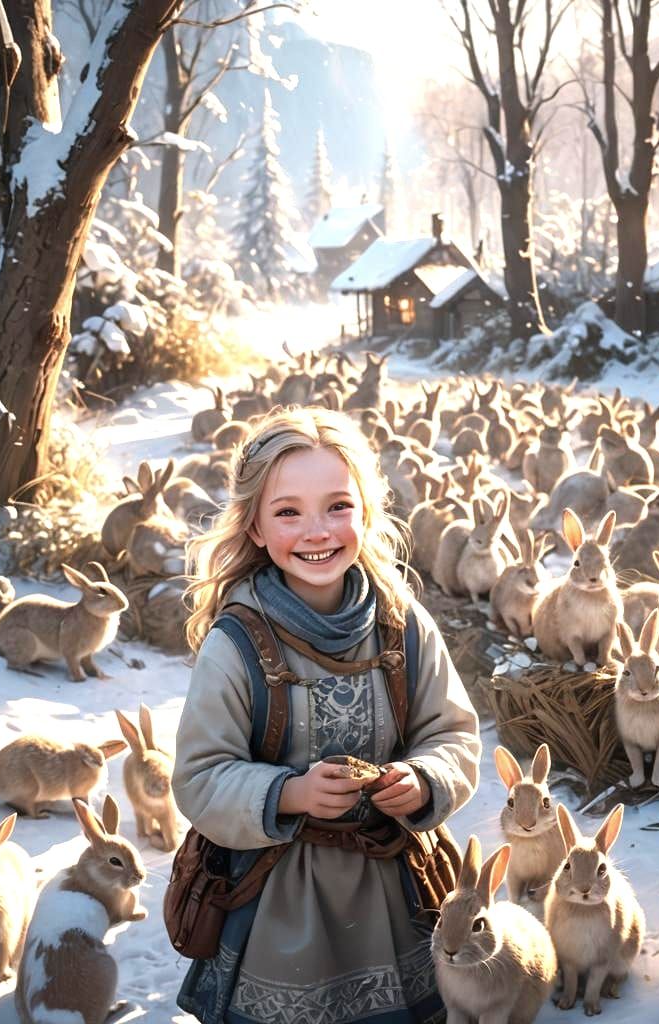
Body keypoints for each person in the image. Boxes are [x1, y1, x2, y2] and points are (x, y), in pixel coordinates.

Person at [173, 405, 481, 1024]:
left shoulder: (403, 625)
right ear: (255, 527)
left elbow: (452, 733)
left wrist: (424, 779)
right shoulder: (236, 644)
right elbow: (200, 776)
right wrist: (290, 793)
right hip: (278, 901)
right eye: (288, 512)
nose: (317, 531)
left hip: (397, 889)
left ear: (366, 512)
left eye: (338, 506)